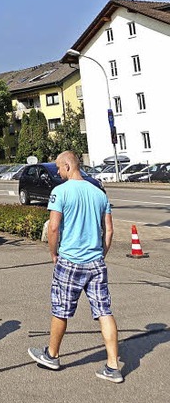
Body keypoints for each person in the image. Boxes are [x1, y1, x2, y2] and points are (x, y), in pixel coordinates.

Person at [28, 150, 123, 382]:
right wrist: (102, 253)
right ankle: (113, 366)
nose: (58, 173)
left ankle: (52, 354)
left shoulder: (60, 192)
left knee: (60, 309)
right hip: (95, 262)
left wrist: (53, 253)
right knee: (104, 310)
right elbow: (108, 229)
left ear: (68, 166)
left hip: (70, 260)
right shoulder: (99, 193)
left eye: (59, 168)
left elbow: (53, 227)